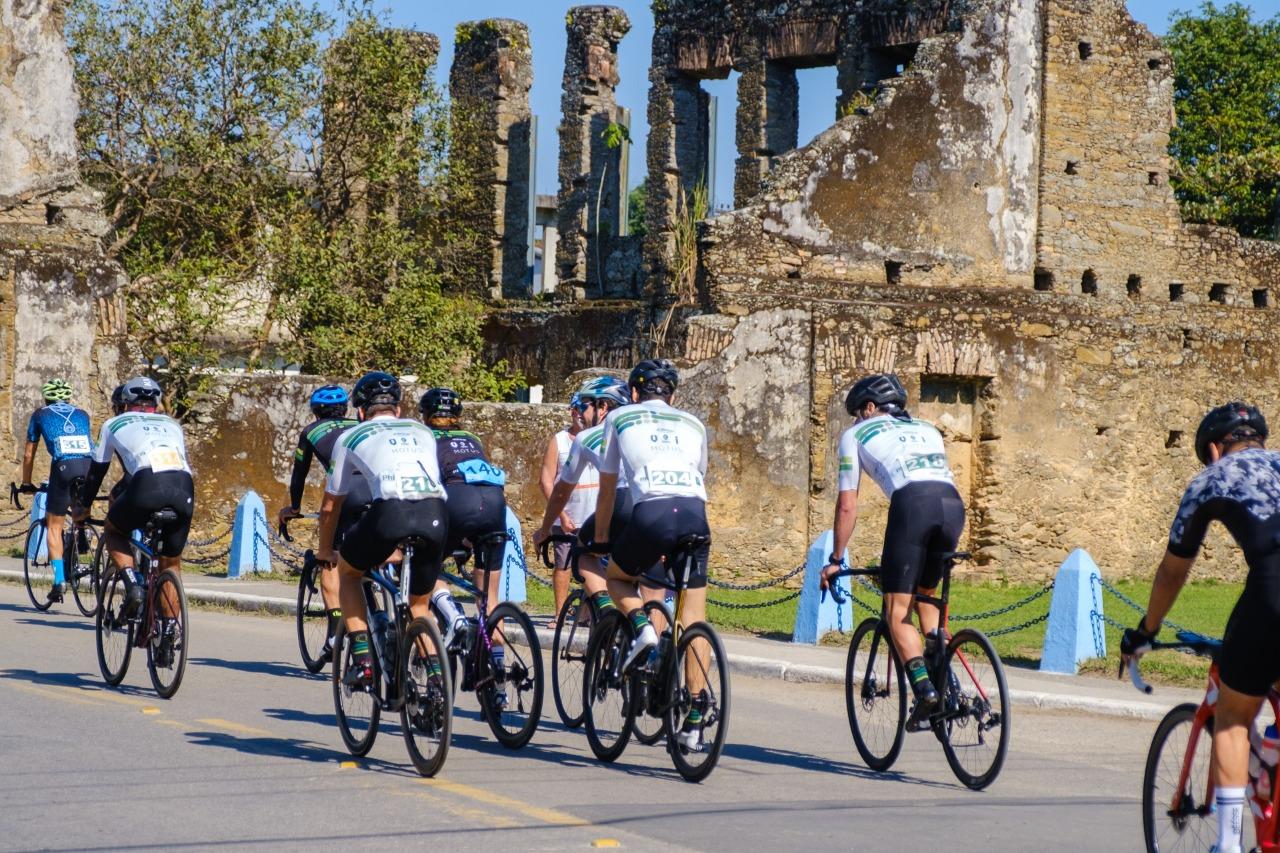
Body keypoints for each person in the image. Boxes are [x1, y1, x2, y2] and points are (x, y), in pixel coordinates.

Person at [1121, 402, 1279, 853]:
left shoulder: (1211, 478)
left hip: (1273, 587)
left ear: (1213, 449)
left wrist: (1146, 630)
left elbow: (1173, 571)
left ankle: (1227, 845)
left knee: (1232, 718)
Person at [818, 373, 965, 729]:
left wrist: (836, 560)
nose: (855, 420)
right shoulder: (928, 429)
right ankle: (951, 685)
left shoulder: (854, 435)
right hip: (952, 505)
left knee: (897, 611)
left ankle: (926, 692)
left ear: (870, 407)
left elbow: (847, 506)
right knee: (926, 597)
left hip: (913, 506)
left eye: (857, 412)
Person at [588, 359, 712, 751]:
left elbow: (608, 487)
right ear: (673, 396)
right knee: (693, 615)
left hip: (652, 513)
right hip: (695, 515)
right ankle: (694, 718)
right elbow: (699, 474)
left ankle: (642, 626)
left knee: (617, 578)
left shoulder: (620, 417)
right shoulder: (693, 423)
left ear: (635, 393)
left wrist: (604, 539)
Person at [316, 372, 448, 689]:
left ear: (360, 412)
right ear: (398, 410)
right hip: (436, 513)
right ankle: (436, 682)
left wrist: (325, 553)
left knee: (347, 573)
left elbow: (331, 506)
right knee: (419, 605)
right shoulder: (423, 430)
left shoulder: (351, 436)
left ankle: (363, 660)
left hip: (390, 512)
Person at [81, 376, 194, 659]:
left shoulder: (113, 424)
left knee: (114, 530)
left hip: (146, 484)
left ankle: (132, 584)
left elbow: (97, 472)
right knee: (170, 563)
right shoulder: (172, 424)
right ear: (155, 403)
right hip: (184, 487)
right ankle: (168, 631)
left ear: (123, 404)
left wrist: (82, 508)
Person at [277, 384, 367, 663]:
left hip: (346, 498)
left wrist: (293, 508)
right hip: (379, 495)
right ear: (347, 409)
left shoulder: (311, 432)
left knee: (329, 559)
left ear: (316, 412)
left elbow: (299, 474)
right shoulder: (361, 426)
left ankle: (334, 631)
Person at [417, 387, 508, 663]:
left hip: (457, 502)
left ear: (426, 415)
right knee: (488, 595)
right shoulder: (472, 437)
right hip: (494, 504)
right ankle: (498, 667)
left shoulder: (425, 437)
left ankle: (453, 617)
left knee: (427, 566)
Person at [533, 377, 631, 622]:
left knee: (583, 554)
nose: (580, 413)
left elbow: (560, 492)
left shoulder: (587, 437)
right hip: (657, 509)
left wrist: (545, 529)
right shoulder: (639, 430)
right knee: (646, 580)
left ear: (603, 408)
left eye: (585, 406)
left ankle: (607, 611)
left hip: (617, 507)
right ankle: (647, 639)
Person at [21, 379, 95, 604]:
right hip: (89, 466)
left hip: (63, 467)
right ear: (68, 398)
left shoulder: (40, 414)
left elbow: (28, 455)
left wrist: (26, 483)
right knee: (79, 507)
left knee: (54, 526)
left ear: (47, 398)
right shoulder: (82, 414)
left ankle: (59, 580)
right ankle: (82, 530)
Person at [540, 391, 596, 614]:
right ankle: (560, 612)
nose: (582, 416)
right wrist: (561, 515)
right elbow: (546, 479)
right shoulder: (559, 441)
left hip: (593, 516)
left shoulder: (598, 438)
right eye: (579, 411)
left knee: (592, 566)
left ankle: (587, 613)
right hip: (568, 514)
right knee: (562, 565)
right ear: (573, 412)